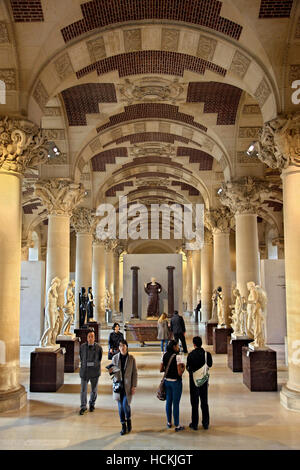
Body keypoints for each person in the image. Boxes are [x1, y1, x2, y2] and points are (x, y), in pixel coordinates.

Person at [111, 339, 138, 435]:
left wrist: (134, 385)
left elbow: (134, 373)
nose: (122, 348)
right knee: (120, 407)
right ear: (119, 347)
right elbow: (112, 373)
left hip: (127, 386)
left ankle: (129, 419)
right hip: (118, 386)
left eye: (124, 346)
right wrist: (113, 373)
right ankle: (123, 425)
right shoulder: (115, 358)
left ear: (126, 346)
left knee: (125, 405)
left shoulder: (131, 358)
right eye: (120, 346)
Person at [186, 336, 213, 430]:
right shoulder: (207, 354)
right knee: (204, 402)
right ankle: (206, 423)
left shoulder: (191, 355)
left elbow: (188, 368)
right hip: (204, 381)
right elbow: (210, 364)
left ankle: (195, 423)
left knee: (194, 403)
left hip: (193, 382)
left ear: (194, 344)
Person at [160, 339, 185, 432]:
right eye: (177, 346)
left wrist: (168, 369)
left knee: (168, 402)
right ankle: (177, 424)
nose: (178, 347)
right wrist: (183, 368)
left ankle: (169, 422)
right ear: (174, 347)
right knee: (176, 404)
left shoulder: (164, 355)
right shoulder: (177, 357)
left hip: (167, 382)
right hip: (176, 383)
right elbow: (179, 373)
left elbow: (161, 369)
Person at [79, 329, 103, 415]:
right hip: (84, 371)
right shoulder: (82, 347)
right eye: (89, 336)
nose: (90, 338)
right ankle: (83, 406)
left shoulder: (99, 348)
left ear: (94, 338)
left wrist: (94, 364)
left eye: (92, 336)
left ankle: (92, 404)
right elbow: (81, 357)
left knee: (94, 390)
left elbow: (99, 358)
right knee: (83, 390)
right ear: (87, 338)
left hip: (95, 372)